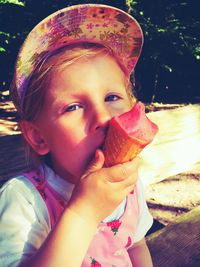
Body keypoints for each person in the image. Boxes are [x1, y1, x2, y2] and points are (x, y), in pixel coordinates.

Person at [0, 4, 153, 267]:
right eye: (73, 107)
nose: (103, 117)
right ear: (38, 137)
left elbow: (136, 245)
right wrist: (84, 211)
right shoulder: (24, 201)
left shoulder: (128, 187)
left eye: (112, 97)